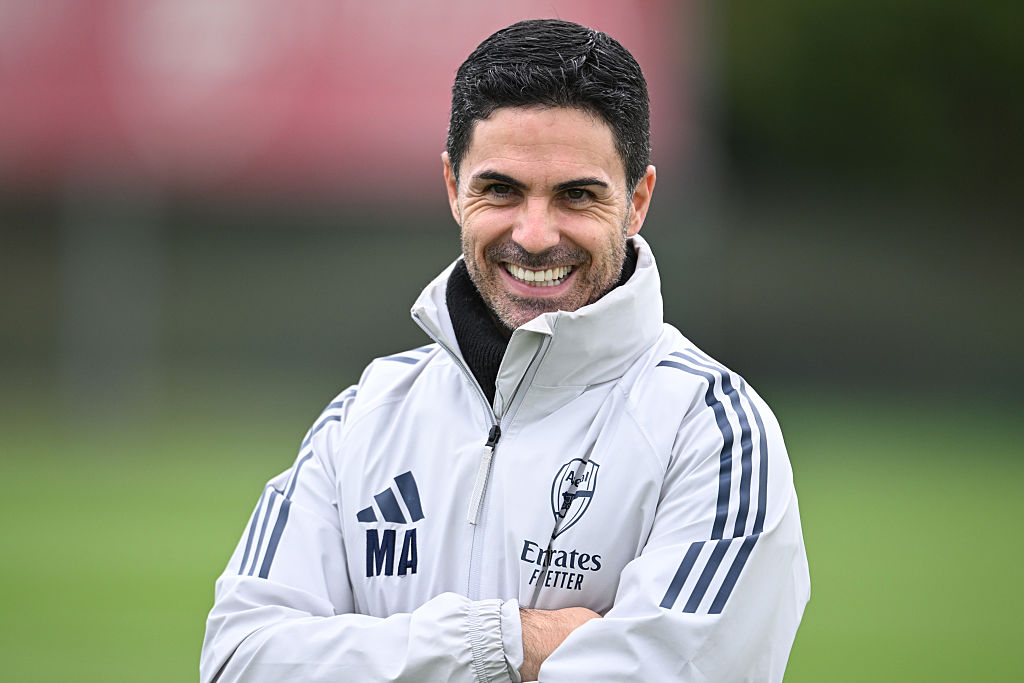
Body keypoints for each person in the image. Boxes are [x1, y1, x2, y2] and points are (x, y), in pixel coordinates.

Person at [201, 18, 809, 682]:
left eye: (577, 195)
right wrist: (505, 642)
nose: (535, 234)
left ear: (637, 202)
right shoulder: (363, 418)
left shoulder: (716, 432)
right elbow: (239, 660)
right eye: (501, 190)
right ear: (452, 188)